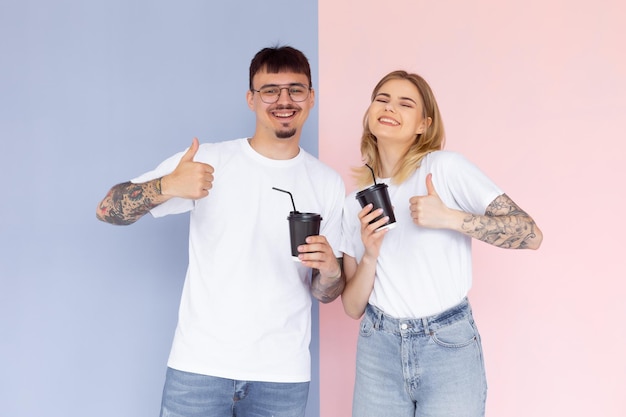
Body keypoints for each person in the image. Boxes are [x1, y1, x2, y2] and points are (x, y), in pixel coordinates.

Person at [96, 45, 345, 417]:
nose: (283, 100)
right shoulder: (209, 161)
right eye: (269, 90)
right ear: (250, 99)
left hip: (282, 376)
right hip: (199, 368)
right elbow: (108, 210)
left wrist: (330, 270)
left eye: (295, 89)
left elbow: (326, 293)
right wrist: (166, 186)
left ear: (311, 98)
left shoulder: (327, 182)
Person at [340, 70, 543, 417]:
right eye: (382, 99)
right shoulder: (354, 202)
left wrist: (448, 217)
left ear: (424, 124)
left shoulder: (445, 170)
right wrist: (370, 253)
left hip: (447, 345)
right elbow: (352, 307)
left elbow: (530, 233)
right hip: (378, 347)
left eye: (406, 103)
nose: (390, 108)